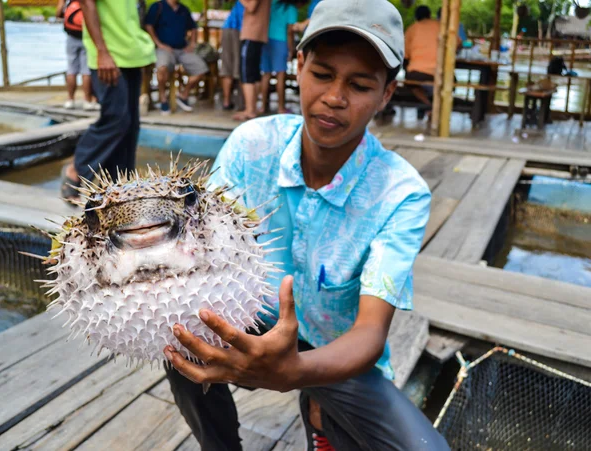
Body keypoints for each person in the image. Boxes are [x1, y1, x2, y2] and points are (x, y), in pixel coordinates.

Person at [161, 0, 451, 450]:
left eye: (359, 85)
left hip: (339, 357)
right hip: (250, 323)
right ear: (298, 65)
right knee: (181, 339)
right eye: (322, 75)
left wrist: (294, 374)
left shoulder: (401, 193)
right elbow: (201, 254)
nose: (335, 97)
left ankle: (321, 413)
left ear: (387, 94)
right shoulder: (251, 145)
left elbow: (370, 335)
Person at [59, 0, 156, 203]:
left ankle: (119, 188)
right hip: (108, 53)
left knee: (130, 126)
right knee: (116, 119)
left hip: (131, 52)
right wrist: (102, 52)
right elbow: (87, 3)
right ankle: (76, 169)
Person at [144, 0, 209, 115]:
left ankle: (183, 95)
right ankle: (163, 98)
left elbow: (193, 27)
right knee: (162, 68)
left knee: (202, 69)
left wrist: (192, 43)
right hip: (164, 49)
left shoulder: (183, 9)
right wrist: (159, 44)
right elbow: (148, 26)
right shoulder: (157, 7)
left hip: (182, 49)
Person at [232, 0, 272, 122]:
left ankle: (250, 110)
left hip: (252, 34)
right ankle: (252, 108)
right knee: (254, 74)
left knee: (247, 74)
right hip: (258, 35)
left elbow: (251, 7)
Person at [56, 0, 99, 111]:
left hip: (71, 37)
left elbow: (58, 14)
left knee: (71, 70)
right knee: (86, 70)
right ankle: (87, 100)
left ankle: (70, 100)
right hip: (87, 36)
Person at [258, 0, 298, 114]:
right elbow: (290, 31)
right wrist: (290, 49)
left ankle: (262, 107)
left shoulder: (271, 4)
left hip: (266, 40)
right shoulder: (290, 7)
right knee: (281, 75)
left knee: (266, 74)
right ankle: (281, 108)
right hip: (281, 41)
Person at [220, 0, 245, 111]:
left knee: (229, 67)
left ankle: (228, 101)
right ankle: (236, 102)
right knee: (238, 68)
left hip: (230, 27)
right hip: (238, 29)